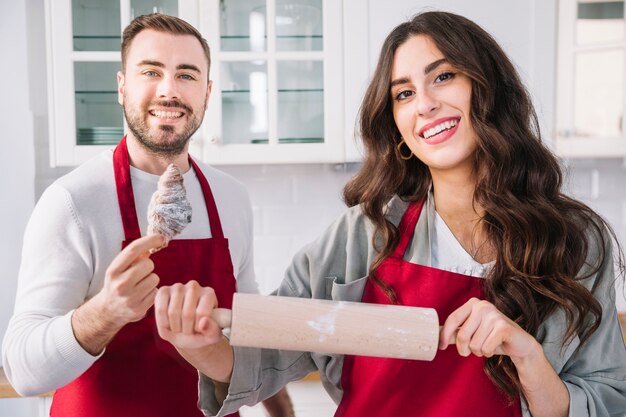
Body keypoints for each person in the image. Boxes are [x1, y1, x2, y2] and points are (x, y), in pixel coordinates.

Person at [153, 10, 626, 417]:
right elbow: (266, 355)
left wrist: (529, 358)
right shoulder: (362, 236)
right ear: (397, 127)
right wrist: (201, 346)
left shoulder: (576, 242)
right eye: (403, 94)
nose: (424, 104)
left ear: (489, 89)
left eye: (444, 76)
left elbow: (606, 400)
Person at [1, 13, 293, 417]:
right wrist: (105, 312)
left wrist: (282, 411)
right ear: (122, 87)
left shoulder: (231, 198)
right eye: (151, 71)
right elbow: (22, 372)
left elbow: (249, 335)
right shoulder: (72, 201)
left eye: (186, 75)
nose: (169, 90)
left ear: (207, 93)